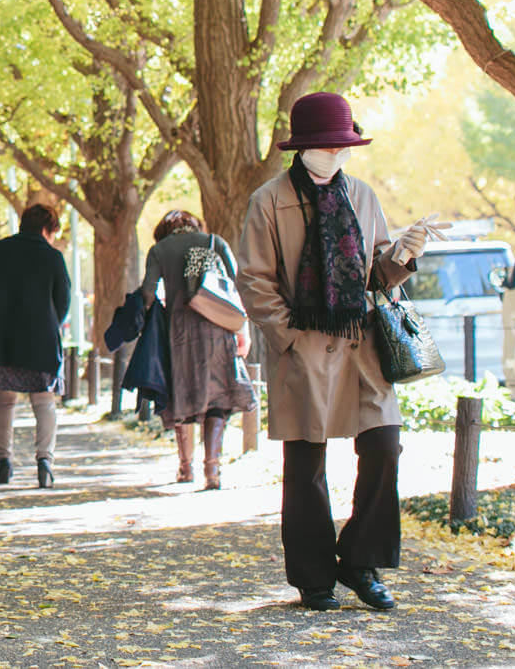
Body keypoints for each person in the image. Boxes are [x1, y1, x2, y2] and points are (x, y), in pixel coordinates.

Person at [237, 91, 430, 613]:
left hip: (361, 345)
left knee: (385, 446)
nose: (337, 153)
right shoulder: (268, 200)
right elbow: (254, 281)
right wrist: (290, 339)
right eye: (328, 144)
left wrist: (405, 253)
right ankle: (315, 578)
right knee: (305, 468)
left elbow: (375, 275)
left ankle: (361, 562)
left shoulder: (362, 196)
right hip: (303, 349)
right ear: (303, 148)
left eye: (344, 144)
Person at [136, 210, 254, 489]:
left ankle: (185, 467)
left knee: (181, 394)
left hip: (178, 332)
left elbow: (148, 293)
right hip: (218, 328)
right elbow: (237, 290)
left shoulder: (159, 250)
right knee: (218, 397)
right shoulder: (215, 242)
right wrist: (243, 332)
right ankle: (212, 470)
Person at [0, 203, 70, 489]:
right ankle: (45, 462)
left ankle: (5, 462)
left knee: (5, 399)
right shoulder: (53, 256)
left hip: (3, 337)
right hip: (41, 339)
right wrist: (49, 322)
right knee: (43, 401)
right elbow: (62, 303)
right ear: (47, 228)